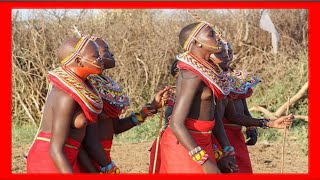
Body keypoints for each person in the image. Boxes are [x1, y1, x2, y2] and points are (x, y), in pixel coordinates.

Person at [70, 37, 170, 173]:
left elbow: (116, 127)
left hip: (102, 158)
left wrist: (151, 108)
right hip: (88, 160)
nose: (111, 54)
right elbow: (87, 141)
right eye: (106, 50)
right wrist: (107, 167)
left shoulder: (105, 86)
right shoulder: (86, 88)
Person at [156, 21, 233, 174]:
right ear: (196, 42)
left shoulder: (208, 70)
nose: (217, 38)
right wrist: (203, 161)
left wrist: (225, 151)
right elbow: (176, 123)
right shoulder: (190, 74)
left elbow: (213, 116)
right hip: (184, 146)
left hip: (201, 142)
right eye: (211, 34)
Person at [209, 42, 294, 173]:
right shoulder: (203, 79)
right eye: (221, 52)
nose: (227, 55)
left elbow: (238, 113)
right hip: (212, 137)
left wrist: (254, 126)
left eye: (229, 51)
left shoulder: (235, 79)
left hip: (234, 136)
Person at [26, 35, 104, 173]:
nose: (100, 59)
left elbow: (77, 144)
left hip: (67, 158)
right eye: (95, 56)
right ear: (79, 61)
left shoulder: (83, 90)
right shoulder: (65, 96)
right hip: (50, 161)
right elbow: (55, 149)